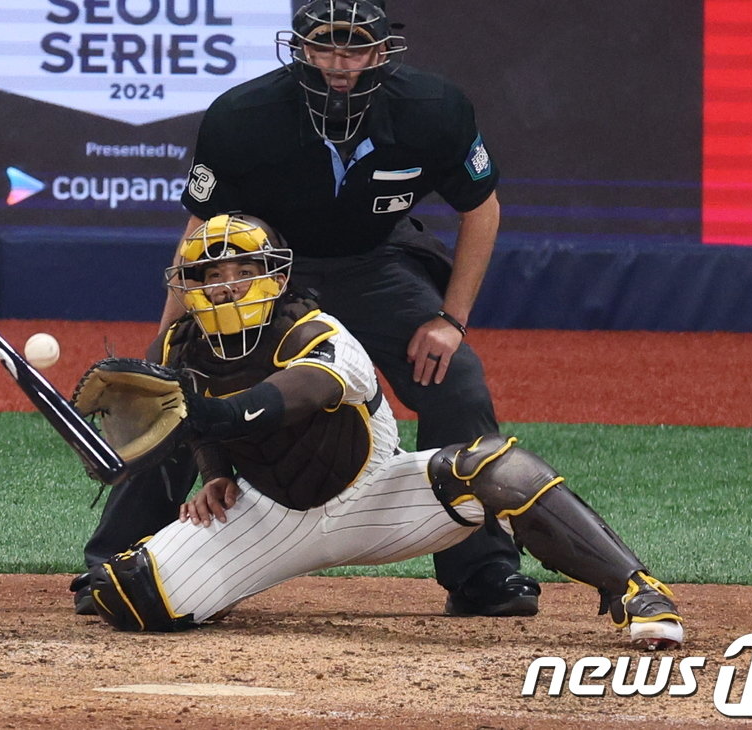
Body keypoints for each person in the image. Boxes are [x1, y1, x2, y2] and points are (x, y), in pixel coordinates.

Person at [74, 0, 531, 618]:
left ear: (381, 53)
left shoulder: (436, 110)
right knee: (175, 387)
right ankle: (117, 562)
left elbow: (481, 209)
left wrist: (451, 320)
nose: (338, 65)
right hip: (269, 269)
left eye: (354, 49)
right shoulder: (242, 117)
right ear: (299, 50)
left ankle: (483, 573)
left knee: (455, 378)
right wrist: (166, 339)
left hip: (379, 262)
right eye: (324, 48)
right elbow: (204, 232)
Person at [82, 214, 684, 651]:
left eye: (244, 269)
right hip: (270, 516)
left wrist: (202, 418)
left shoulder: (318, 334)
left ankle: (635, 590)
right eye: (210, 271)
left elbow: (282, 401)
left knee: (498, 468)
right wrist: (213, 472)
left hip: (379, 498)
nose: (226, 284)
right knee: (127, 593)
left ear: (276, 276)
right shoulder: (177, 347)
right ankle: (226, 584)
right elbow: (199, 413)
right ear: (187, 283)